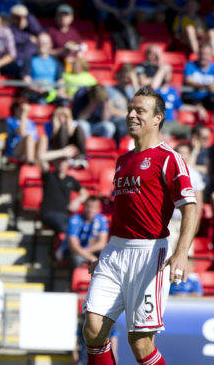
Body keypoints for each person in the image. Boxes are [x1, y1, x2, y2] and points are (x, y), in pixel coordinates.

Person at [82, 87, 198, 365]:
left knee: (141, 344)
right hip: (114, 252)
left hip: (150, 255)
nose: (131, 115)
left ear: (158, 118)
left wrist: (181, 252)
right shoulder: (123, 160)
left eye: (140, 111)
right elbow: (125, 212)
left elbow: (190, 208)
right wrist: (107, 251)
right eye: (130, 110)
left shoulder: (169, 158)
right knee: (93, 330)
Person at [36, 149, 88, 235]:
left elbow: (85, 193)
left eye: (64, 160)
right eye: (58, 160)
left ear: (67, 163)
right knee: (69, 229)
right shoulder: (49, 176)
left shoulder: (71, 180)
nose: (61, 163)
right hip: (49, 214)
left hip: (64, 215)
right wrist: (63, 152)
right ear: (54, 163)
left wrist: (77, 201)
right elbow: (41, 157)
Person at [58, 196, 108, 268]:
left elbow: (102, 244)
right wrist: (91, 257)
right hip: (72, 252)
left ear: (98, 209)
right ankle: (78, 278)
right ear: (84, 207)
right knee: (76, 259)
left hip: (89, 250)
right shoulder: (75, 219)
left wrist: (88, 253)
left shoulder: (101, 219)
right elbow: (73, 247)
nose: (90, 210)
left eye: (94, 207)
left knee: (106, 256)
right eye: (88, 206)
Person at [21, 32, 65, 104]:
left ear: (50, 45)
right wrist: (38, 90)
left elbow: (60, 80)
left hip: (53, 94)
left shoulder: (55, 61)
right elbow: (26, 81)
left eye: (45, 43)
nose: (42, 45)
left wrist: (61, 90)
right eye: (40, 42)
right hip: (36, 94)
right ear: (36, 44)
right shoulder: (29, 60)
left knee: (64, 103)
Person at [8, 4, 42, 79]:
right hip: (19, 62)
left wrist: (27, 17)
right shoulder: (9, 29)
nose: (20, 20)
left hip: (34, 60)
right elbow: (17, 39)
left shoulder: (29, 25)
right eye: (17, 18)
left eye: (23, 17)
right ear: (12, 17)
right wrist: (29, 37)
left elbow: (39, 32)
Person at [183, 42, 214, 109]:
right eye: (202, 54)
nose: (203, 57)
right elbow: (189, 81)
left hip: (209, 100)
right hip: (192, 99)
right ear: (198, 54)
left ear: (211, 55)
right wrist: (206, 86)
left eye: (206, 54)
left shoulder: (213, 68)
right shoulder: (190, 65)